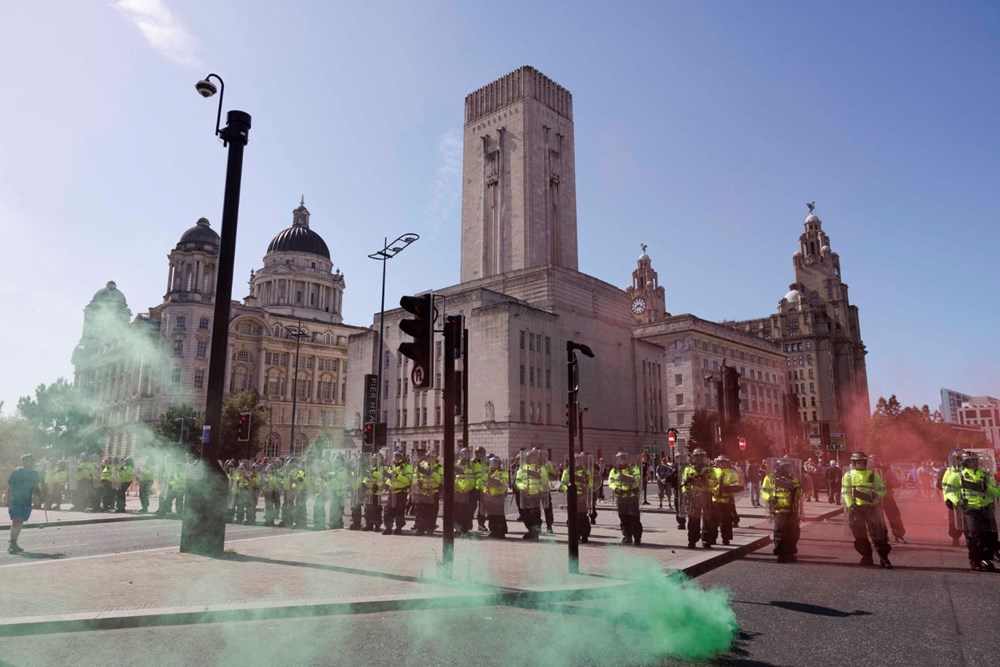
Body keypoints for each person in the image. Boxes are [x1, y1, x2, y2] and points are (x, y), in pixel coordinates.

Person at [943, 450, 1000, 571]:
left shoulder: (984, 474)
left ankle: (987, 558)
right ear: (964, 463)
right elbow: (949, 491)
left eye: (975, 461)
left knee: (990, 534)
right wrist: (957, 501)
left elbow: (996, 492)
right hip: (969, 509)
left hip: (986, 508)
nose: (973, 463)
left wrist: (987, 488)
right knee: (975, 535)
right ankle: (975, 561)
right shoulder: (957, 475)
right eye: (970, 462)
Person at [842, 451, 892, 568]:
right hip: (856, 509)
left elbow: (882, 491)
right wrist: (851, 505)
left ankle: (884, 558)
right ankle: (867, 556)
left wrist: (875, 495)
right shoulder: (848, 475)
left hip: (872, 508)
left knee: (879, 534)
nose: (859, 464)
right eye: (857, 462)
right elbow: (846, 492)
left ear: (865, 462)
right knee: (859, 536)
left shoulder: (873, 474)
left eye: (861, 462)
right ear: (853, 463)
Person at [761, 458, 802, 562]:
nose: (788, 470)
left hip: (791, 509)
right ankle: (781, 553)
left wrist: (797, 489)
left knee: (794, 531)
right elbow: (763, 492)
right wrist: (770, 497)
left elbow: (799, 493)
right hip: (778, 509)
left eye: (789, 467)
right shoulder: (770, 478)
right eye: (786, 467)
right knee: (781, 530)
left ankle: (790, 552)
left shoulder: (793, 479)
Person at [7, 455, 42, 553]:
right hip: (16, 499)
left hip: (27, 500)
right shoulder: (16, 472)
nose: (30, 462)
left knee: (20, 521)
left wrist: (40, 496)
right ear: (23, 461)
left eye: (31, 460)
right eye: (27, 460)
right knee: (16, 521)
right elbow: (10, 487)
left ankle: (14, 542)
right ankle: (12, 543)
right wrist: (7, 500)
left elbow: (36, 486)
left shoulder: (35, 473)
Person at [681, 448, 716, 548]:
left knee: (707, 520)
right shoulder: (688, 469)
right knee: (693, 520)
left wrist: (706, 480)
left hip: (706, 495)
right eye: (697, 455)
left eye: (701, 455)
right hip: (693, 497)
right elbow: (683, 483)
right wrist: (686, 492)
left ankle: (706, 540)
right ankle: (692, 540)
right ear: (693, 457)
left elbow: (715, 482)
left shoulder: (709, 469)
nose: (699, 458)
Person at [608, 452, 643, 544]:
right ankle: (627, 536)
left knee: (634, 518)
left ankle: (637, 537)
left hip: (632, 497)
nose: (621, 461)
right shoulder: (614, 471)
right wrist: (615, 488)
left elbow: (637, 479)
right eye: (619, 459)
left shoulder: (634, 468)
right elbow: (610, 482)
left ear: (627, 460)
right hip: (621, 497)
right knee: (623, 518)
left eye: (623, 459)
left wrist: (625, 477)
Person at [514, 448, 549, 540]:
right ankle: (531, 531)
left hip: (536, 495)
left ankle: (535, 533)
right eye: (530, 457)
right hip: (525, 495)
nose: (532, 459)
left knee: (534, 515)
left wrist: (541, 481)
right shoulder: (522, 469)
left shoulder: (541, 468)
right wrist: (522, 486)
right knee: (526, 516)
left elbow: (545, 481)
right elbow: (518, 481)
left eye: (534, 457)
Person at [708, 455, 741, 546]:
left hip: (727, 501)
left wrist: (730, 487)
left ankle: (726, 539)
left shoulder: (732, 472)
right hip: (715, 500)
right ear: (717, 462)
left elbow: (737, 483)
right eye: (721, 462)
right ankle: (712, 539)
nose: (723, 464)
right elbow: (708, 484)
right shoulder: (713, 472)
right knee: (713, 522)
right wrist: (716, 488)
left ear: (728, 463)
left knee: (726, 522)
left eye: (724, 462)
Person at [561, 452, 593, 543]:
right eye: (576, 460)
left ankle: (585, 535)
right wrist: (567, 489)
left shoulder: (585, 471)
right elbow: (563, 484)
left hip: (582, 497)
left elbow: (591, 484)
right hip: (572, 498)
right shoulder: (567, 471)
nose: (578, 462)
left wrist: (586, 482)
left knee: (583, 517)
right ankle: (574, 535)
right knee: (572, 518)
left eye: (579, 460)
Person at [940, 450, 966, 547]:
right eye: (959, 459)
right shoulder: (949, 471)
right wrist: (948, 499)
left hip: (969, 501)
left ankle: (969, 539)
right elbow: (942, 485)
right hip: (953, 501)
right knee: (954, 520)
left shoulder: (970, 471)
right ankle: (955, 539)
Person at [411, 452, 441, 536]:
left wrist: (431, 473)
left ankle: (430, 529)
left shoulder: (438, 467)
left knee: (432, 512)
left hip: (433, 493)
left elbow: (439, 480)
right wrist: (417, 482)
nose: (430, 459)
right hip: (422, 492)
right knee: (420, 512)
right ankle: (420, 529)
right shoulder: (421, 466)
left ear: (435, 458)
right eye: (429, 457)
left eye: (433, 457)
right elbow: (414, 476)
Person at [382, 451, 412, 535]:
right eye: (395, 456)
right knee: (388, 510)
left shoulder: (407, 467)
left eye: (398, 456)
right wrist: (387, 484)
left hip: (401, 492)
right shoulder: (393, 466)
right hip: (392, 492)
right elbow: (389, 478)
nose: (396, 458)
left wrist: (396, 476)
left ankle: (399, 528)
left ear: (403, 457)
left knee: (399, 511)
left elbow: (407, 480)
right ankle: (388, 527)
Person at [879, 463, 906, 543]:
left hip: (878, 497)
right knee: (893, 516)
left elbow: (895, 484)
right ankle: (897, 535)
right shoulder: (886, 470)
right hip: (882, 497)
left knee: (881, 518)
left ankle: (883, 536)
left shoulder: (885, 470)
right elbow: (896, 484)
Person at [453, 448, 478, 536]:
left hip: (469, 491)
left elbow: (478, 477)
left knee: (467, 512)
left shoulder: (474, 463)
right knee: (457, 511)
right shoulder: (456, 463)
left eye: (467, 454)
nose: (465, 456)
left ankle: (465, 529)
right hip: (458, 491)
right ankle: (459, 529)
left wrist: (477, 489)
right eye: (463, 454)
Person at [483, 456, 508, 538]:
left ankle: (501, 532)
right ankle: (493, 531)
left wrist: (495, 481)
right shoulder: (487, 473)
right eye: (492, 463)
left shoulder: (503, 472)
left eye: (495, 463)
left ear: (499, 464)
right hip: (490, 495)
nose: (493, 465)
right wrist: (485, 490)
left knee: (499, 515)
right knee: (491, 515)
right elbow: (483, 483)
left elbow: (504, 482)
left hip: (499, 495)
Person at [472, 446, 489, 532]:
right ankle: (468, 522)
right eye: (479, 453)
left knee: (482, 507)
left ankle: (481, 524)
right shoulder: (472, 462)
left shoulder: (486, 462)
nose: (480, 454)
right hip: (473, 487)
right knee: (472, 506)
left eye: (482, 453)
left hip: (484, 487)